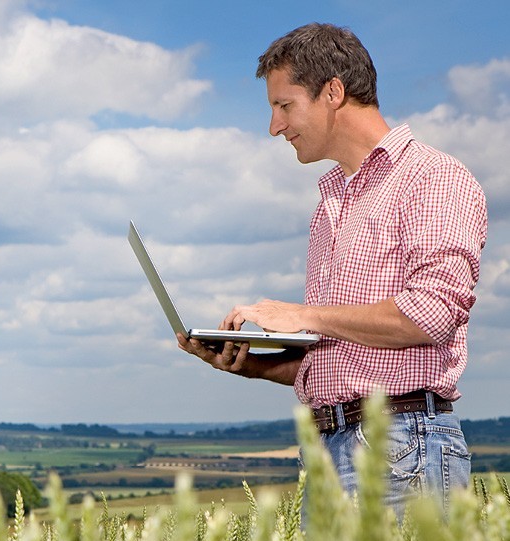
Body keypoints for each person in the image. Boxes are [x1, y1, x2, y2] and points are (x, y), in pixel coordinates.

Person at [177, 23, 487, 514]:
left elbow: (430, 314)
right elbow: (344, 361)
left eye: (284, 105)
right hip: (324, 453)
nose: (274, 127)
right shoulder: (329, 207)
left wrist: (305, 315)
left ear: (333, 93)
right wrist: (252, 365)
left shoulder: (433, 177)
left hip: (400, 449)